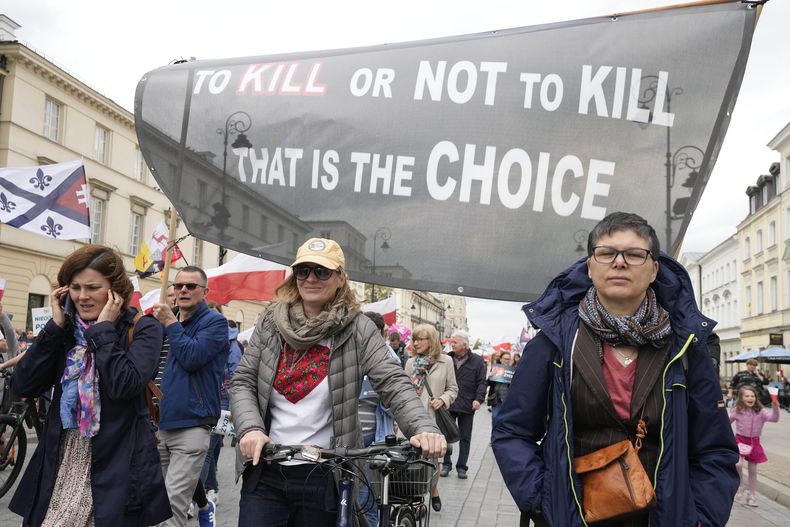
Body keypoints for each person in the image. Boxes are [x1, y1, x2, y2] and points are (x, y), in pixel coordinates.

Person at [492, 212, 739, 527]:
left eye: (635, 254)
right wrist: (542, 500)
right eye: (607, 253)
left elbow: (715, 449)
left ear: (654, 270)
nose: (620, 262)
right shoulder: (554, 342)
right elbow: (512, 431)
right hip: (572, 516)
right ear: (590, 267)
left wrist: (701, 519)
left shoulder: (686, 347)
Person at [230, 237, 446, 527]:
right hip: (266, 467)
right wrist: (250, 429)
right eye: (303, 270)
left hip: (325, 474)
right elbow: (243, 380)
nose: (311, 278)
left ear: (341, 278)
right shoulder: (271, 322)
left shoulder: (359, 328)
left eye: (322, 271)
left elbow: (393, 381)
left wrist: (423, 426)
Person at [8, 245, 171, 526]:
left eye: (93, 287)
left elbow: (125, 385)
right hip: (62, 459)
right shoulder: (65, 330)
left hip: (117, 462)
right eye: (75, 287)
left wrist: (103, 331)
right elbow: (24, 383)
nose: (82, 297)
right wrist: (54, 327)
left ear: (115, 290)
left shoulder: (144, 328)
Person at [152, 266, 230, 527]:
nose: (183, 290)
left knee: (173, 505)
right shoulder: (166, 321)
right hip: (158, 423)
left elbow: (192, 357)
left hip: (192, 424)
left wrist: (171, 324)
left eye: (191, 286)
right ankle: (204, 507)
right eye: (178, 285)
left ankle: (204, 506)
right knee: (156, 505)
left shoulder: (214, 322)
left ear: (205, 292)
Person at [406, 323, 458, 512]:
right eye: (414, 339)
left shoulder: (446, 361)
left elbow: (453, 389)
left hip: (433, 419)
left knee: (433, 461)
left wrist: (443, 400)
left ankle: (433, 490)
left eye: (420, 339)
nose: (416, 343)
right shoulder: (411, 363)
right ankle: (419, 500)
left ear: (432, 340)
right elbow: (404, 391)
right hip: (411, 419)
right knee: (414, 461)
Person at [440, 329, 486, 480]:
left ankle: (462, 467)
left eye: (455, 341)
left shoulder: (477, 361)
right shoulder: (447, 358)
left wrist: (478, 399)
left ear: (464, 344)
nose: (451, 344)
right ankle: (446, 464)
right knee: (446, 436)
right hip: (449, 403)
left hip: (467, 405)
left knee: (465, 437)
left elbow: (481, 383)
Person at [728, 385, 780, 507]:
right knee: (738, 464)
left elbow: (774, 419)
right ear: (741, 398)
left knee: (753, 470)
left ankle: (752, 495)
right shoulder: (737, 411)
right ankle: (741, 485)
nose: (750, 398)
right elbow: (726, 422)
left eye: (752, 396)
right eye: (747, 396)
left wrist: (775, 408)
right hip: (740, 440)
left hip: (754, 442)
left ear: (756, 398)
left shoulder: (760, 411)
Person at [486, 350, 513, 421]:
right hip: (496, 398)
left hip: (508, 399)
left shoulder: (513, 371)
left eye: (508, 359)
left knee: (505, 419)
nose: (507, 361)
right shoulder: (495, 368)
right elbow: (488, 383)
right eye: (505, 359)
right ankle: (495, 431)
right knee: (495, 417)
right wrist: (490, 376)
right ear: (500, 359)